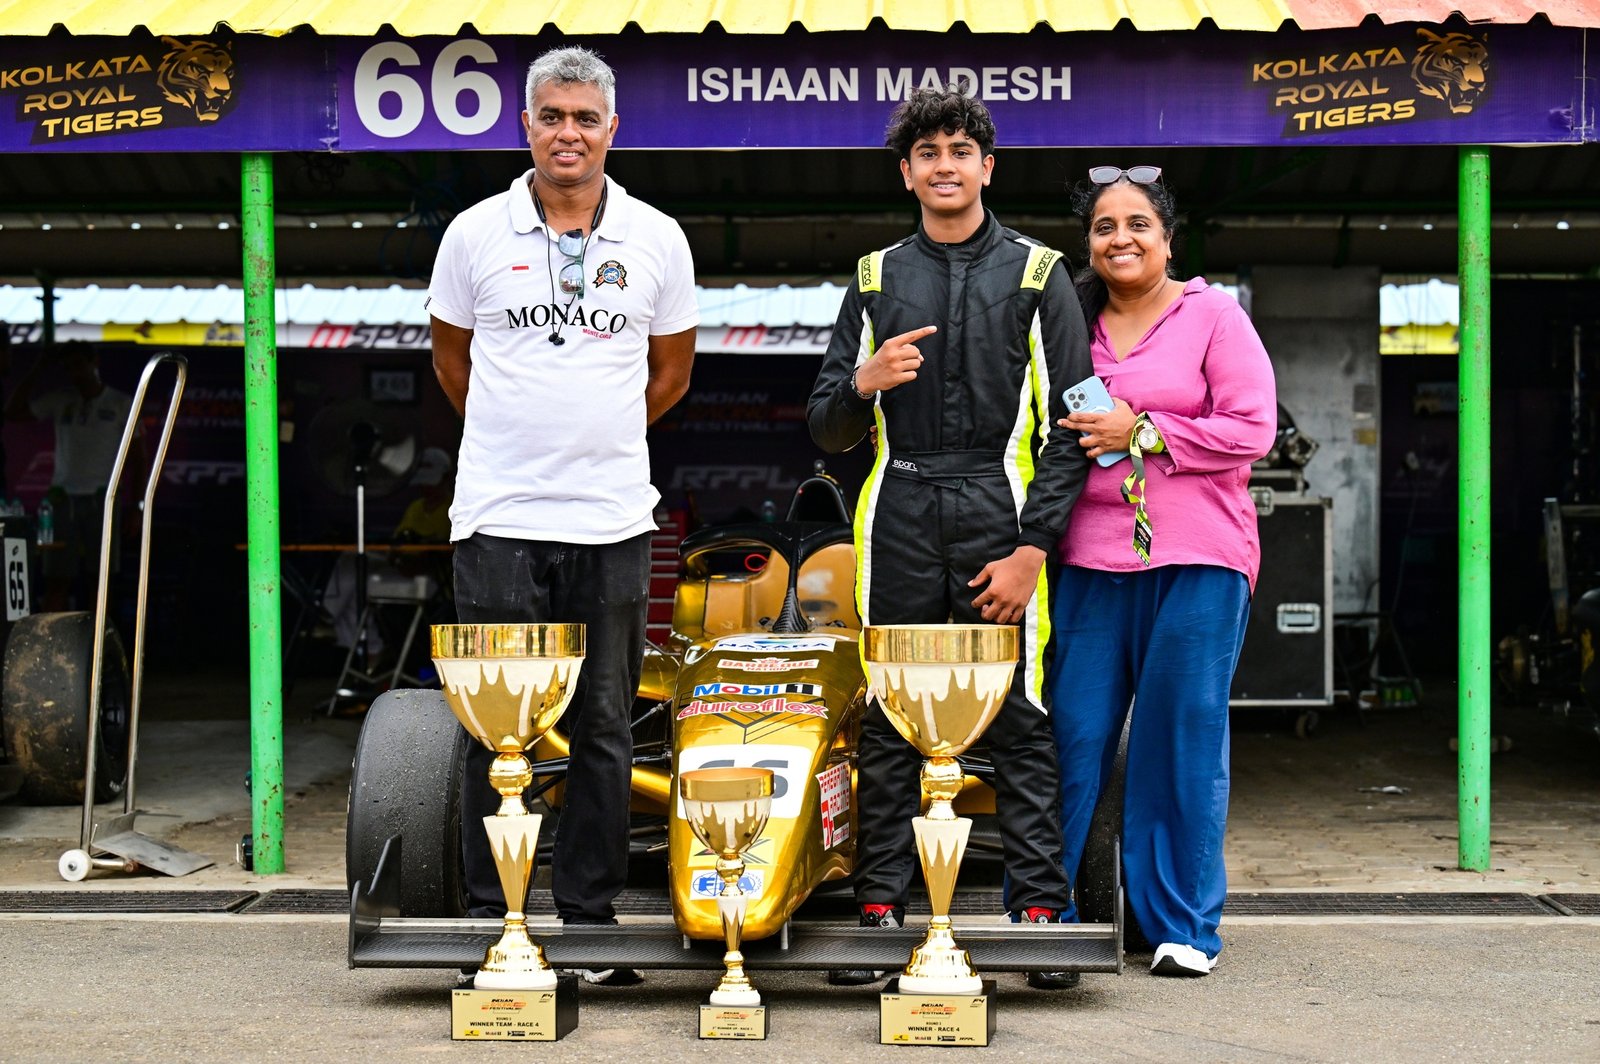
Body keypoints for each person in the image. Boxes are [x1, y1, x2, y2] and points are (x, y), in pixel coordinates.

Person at [807, 87, 1092, 990]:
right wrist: (863, 382)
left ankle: (1039, 913)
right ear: (907, 173)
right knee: (891, 718)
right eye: (927, 152)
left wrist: (1032, 549)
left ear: (987, 167)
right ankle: (880, 915)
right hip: (896, 512)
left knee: (1020, 713)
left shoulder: (1042, 274)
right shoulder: (873, 277)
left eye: (960, 150)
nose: (944, 165)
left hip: (999, 514)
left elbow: (1074, 429)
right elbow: (825, 425)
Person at [427, 45, 698, 986]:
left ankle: (590, 921)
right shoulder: (473, 232)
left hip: (612, 518)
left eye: (585, 118)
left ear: (612, 129)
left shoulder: (658, 236)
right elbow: (451, 361)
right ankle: (489, 919)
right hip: (498, 516)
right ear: (527, 127)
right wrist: (519, 442)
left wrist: (594, 439)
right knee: (494, 727)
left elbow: (672, 373)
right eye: (552, 117)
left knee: (607, 724)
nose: (568, 133)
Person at [1049, 166, 1276, 977]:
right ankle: (1045, 913)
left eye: (1138, 224)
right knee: (1070, 735)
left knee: (1180, 736)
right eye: (1104, 226)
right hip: (1086, 560)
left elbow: (1251, 428)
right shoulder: (1069, 324)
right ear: (1089, 244)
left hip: (1198, 557)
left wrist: (1140, 429)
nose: (1121, 239)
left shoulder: (1212, 316)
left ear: (1169, 239)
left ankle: (1179, 925)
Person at [3, 341, 140, 610]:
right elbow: (11, 413)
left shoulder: (121, 403)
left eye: (79, 365)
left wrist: (137, 506)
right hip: (62, 499)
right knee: (56, 579)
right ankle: (51, 636)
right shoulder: (61, 399)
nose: (75, 373)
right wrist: (39, 367)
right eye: (67, 368)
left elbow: (139, 457)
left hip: (103, 499)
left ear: (94, 362)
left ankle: (98, 636)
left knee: (101, 581)